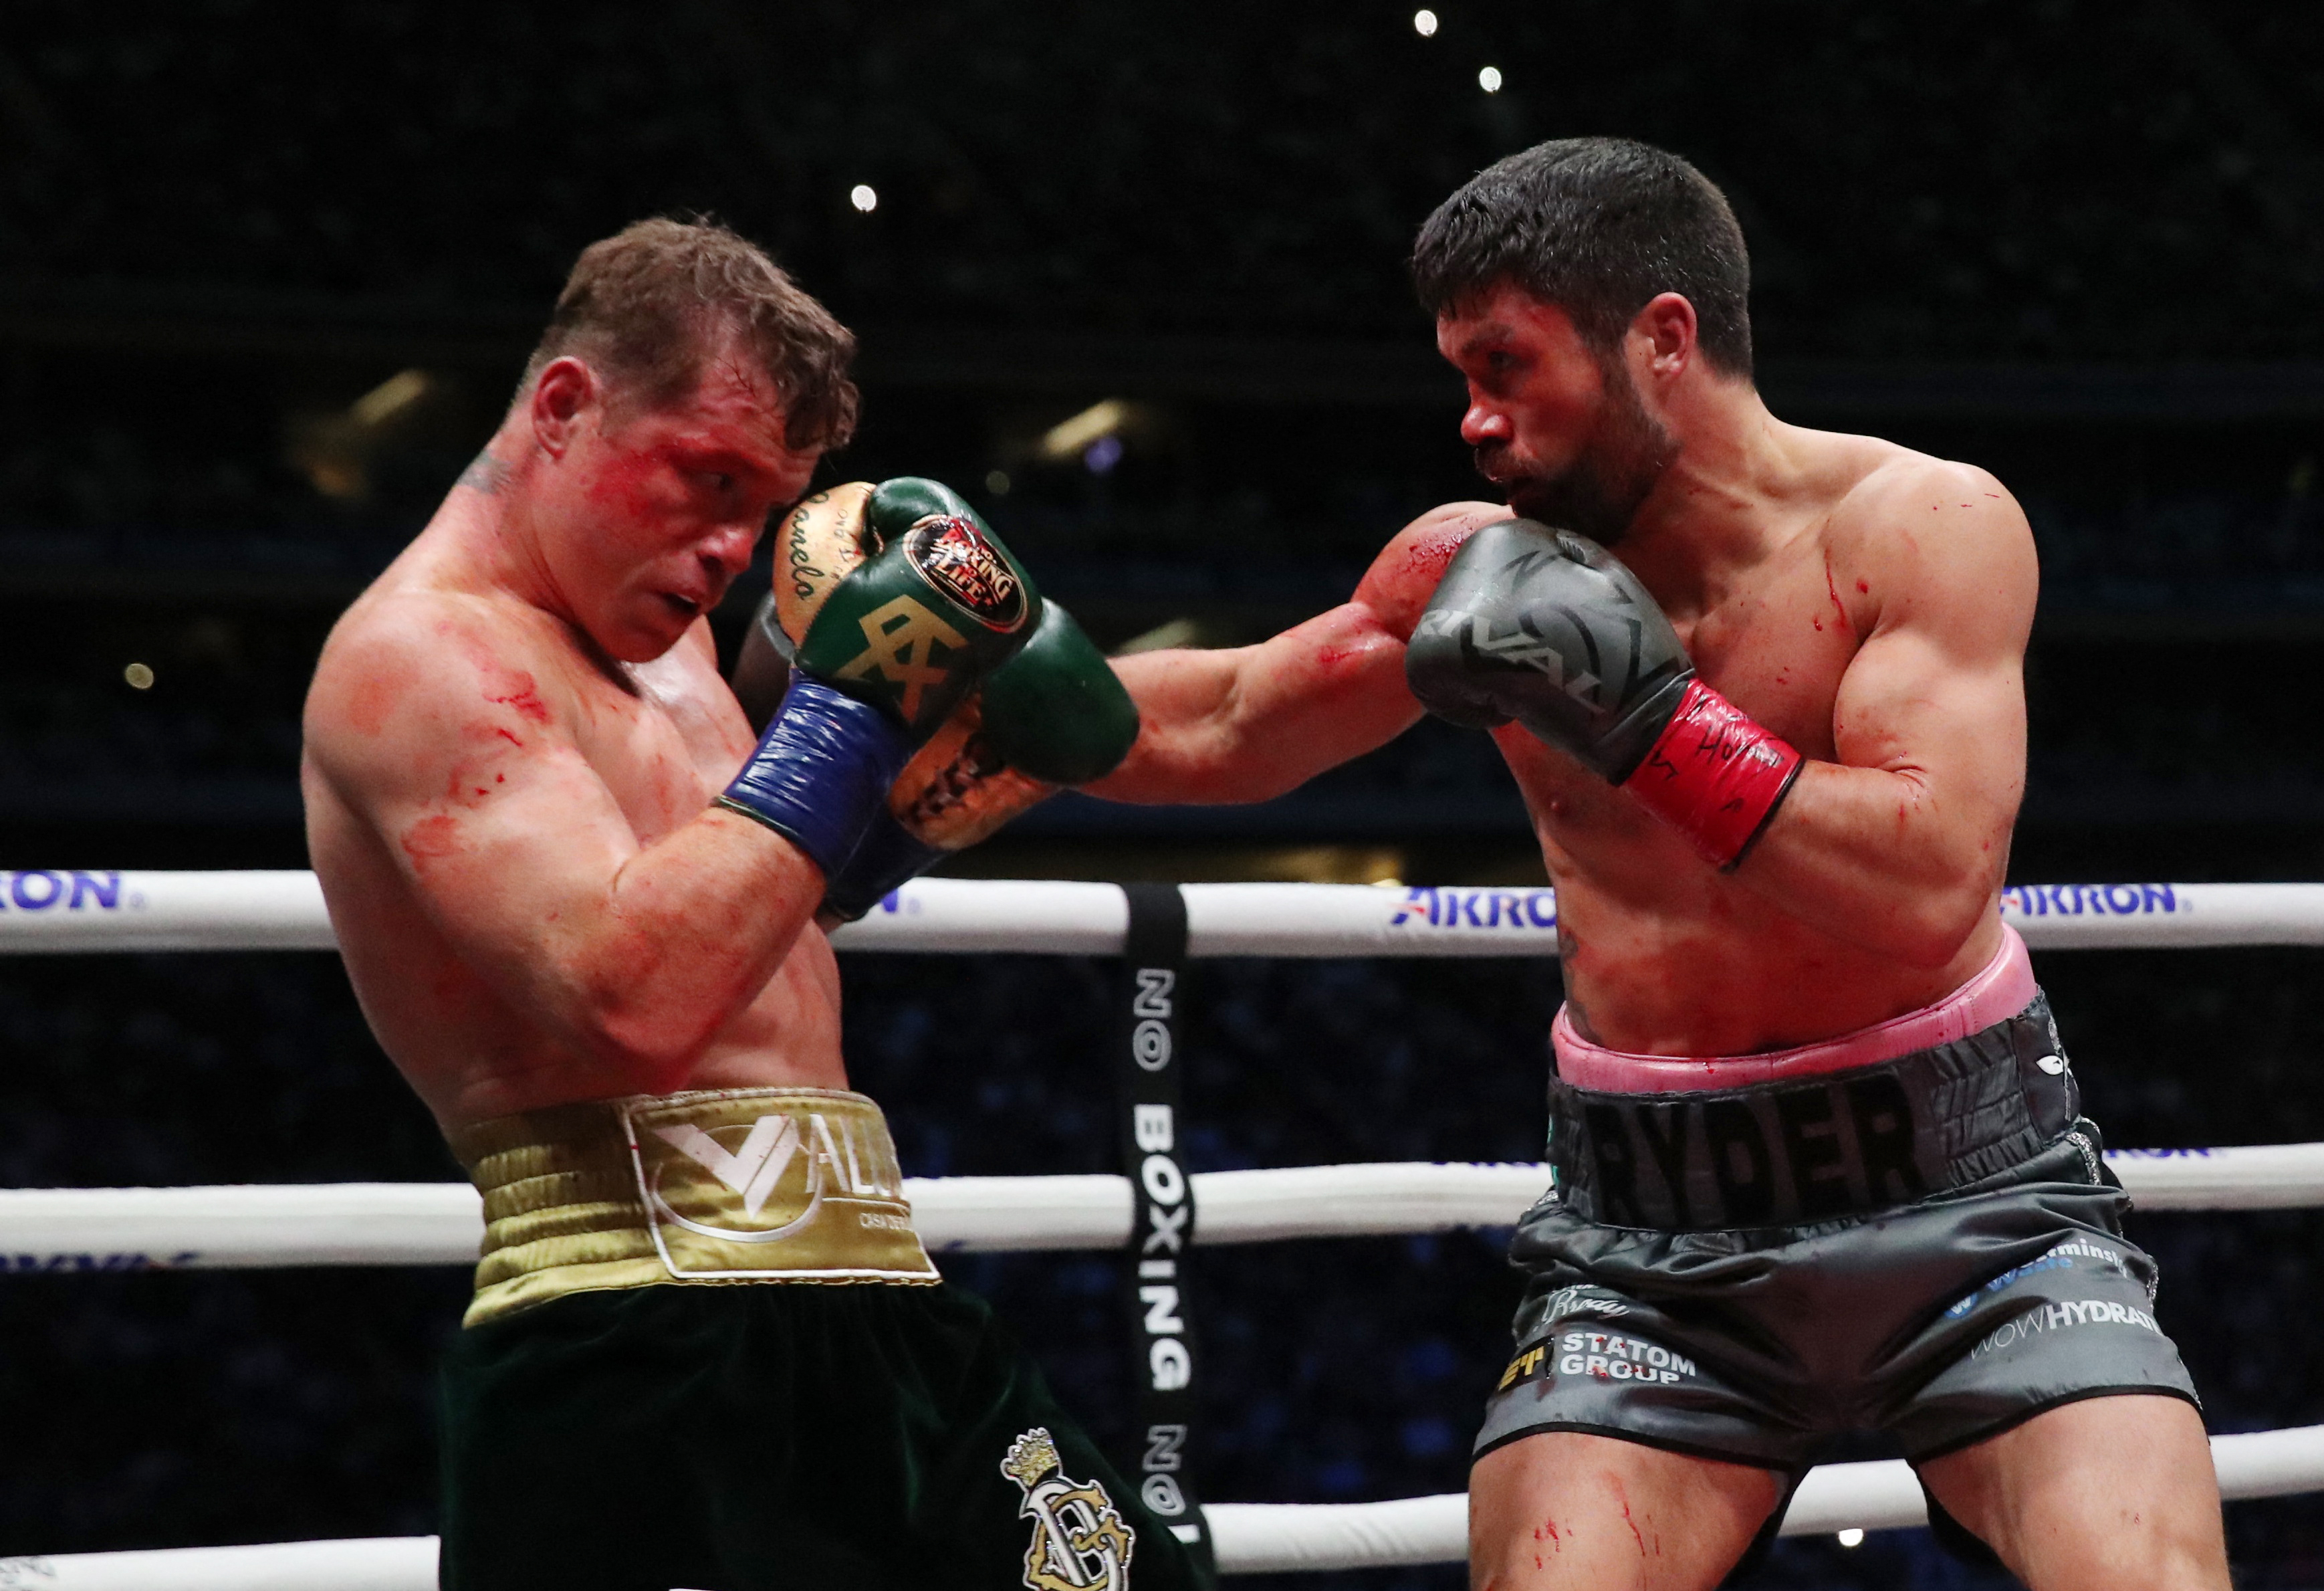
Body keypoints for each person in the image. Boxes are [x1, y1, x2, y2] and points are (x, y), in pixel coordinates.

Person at [1087, 139, 2227, 1590]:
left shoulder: (1918, 527)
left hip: (1978, 1212)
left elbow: (1928, 874)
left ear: (1664, 340)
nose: (1476, 423)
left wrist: (1650, 721)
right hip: (1648, 1245)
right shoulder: (1477, 565)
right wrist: (983, 682)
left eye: (1508, 367)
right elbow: (1233, 718)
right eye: (1463, 376)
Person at [302, 217, 1197, 1591]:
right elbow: (635, 993)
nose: (734, 545)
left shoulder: (664, 653)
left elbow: (756, 916)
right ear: (562, 409)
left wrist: (950, 787)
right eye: (704, 477)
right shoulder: (422, 655)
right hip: (630, 1339)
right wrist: (858, 701)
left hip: (873, 1310)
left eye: (766, 502)